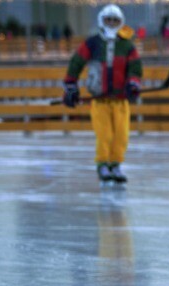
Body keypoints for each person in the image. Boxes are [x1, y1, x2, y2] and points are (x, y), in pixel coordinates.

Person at [62, 4, 142, 184]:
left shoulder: (127, 46)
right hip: (100, 100)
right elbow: (76, 62)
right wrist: (70, 85)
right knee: (104, 134)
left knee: (121, 135)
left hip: (120, 100)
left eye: (115, 20)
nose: (112, 23)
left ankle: (116, 164)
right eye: (108, 20)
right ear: (101, 21)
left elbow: (135, 68)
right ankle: (103, 164)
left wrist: (133, 84)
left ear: (121, 22)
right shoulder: (93, 43)